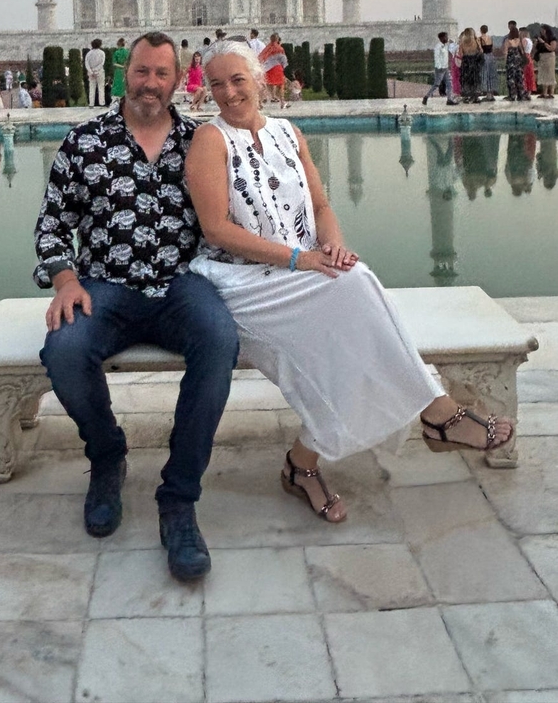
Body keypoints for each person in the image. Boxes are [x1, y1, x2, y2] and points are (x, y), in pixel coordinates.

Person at [185, 41, 513, 522]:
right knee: (355, 291)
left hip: (300, 270)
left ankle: (306, 462)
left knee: (350, 306)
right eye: (217, 84)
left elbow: (320, 206)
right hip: (242, 281)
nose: (229, 92)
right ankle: (437, 414)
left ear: (260, 78)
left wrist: (332, 248)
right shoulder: (209, 141)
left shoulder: (287, 133)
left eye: (238, 79)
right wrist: (304, 258)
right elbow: (217, 230)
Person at [34, 32, 239, 582]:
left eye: (162, 74)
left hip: (180, 283)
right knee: (65, 349)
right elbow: (54, 223)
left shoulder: (200, 143)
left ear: (178, 80)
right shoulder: (85, 141)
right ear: (127, 71)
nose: (151, 83)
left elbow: (231, 220)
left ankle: (178, 500)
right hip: (106, 285)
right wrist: (65, 279)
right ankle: (106, 456)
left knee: (219, 341)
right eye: (143, 72)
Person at [422, 32, 458, 106]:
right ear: (441, 38)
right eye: (446, 37)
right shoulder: (438, 47)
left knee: (449, 84)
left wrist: (453, 43)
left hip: (445, 67)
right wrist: (439, 67)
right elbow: (437, 58)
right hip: (440, 68)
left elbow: (454, 50)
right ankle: (426, 96)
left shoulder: (445, 46)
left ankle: (449, 99)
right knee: (436, 84)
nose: (447, 38)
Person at [259, 33, 288, 108]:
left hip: (268, 69)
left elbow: (261, 57)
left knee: (267, 85)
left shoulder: (267, 48)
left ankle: (261, 102)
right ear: (277, 39)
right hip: (277, 68)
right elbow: (283, 60)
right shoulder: (279, 48)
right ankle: (282, 102)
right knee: (280, 85)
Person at [456, 28, 483, 103]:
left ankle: (467, 95)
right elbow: (481, 50)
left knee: (466, 79)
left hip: (466, 62)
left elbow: (460, 54)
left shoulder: (462, 43)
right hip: (474, 61)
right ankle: (475, 96)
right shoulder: (476, 41)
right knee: (475, 79)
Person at [502, 25, 528, 101]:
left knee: (511, 78)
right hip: (518, 60)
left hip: (511, 61)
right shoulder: (519, 40)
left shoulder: (508, 41)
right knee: (519, 78)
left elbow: (505, 52)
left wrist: (505, 61)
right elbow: (522, 51)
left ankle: (512, 95)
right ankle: (521, 95)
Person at [534, 25, 557, 98]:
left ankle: (551, 93)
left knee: (550, 74)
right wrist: (536, 42)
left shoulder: (552, 38)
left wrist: (544, 42)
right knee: (543, 75)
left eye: (543, 30)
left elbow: (552, 48)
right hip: (542, 57)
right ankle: (544, 93)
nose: (542, 31)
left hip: (549, 57)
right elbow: (536, 48)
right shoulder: (541, 38)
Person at [478, 26, 498, 101]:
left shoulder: (479, 39)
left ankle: (487, 94)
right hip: (491, 57)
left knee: (485, 75)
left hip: (484, 57)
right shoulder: (490, 38)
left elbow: (480, 50)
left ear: (481, 30)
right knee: (491, 75)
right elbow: (492, 48)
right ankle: (491, 94)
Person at [85, 39, 106, 107]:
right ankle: (101, 103)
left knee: (91, 88)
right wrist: (96, 70)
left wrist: (91, 71)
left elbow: (86, 63)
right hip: (99, 72)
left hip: (91, 73)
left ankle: (91, 104)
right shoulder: (102, 53)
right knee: (101, 87)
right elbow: (102, 63)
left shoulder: (89, 53)